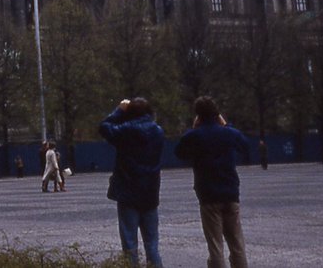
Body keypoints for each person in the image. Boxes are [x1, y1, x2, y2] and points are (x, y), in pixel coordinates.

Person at [175, 96, 249, 268]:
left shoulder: (194, 136)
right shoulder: (229, 133)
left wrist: (193, 129)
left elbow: (179, 152)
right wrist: (226, 125)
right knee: (237, 244)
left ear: (198, 115)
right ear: (217, 113)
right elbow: (245, 146)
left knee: (215, 246)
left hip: (208, 194)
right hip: (230, 192)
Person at [99, 97, 165, 268]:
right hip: (150, 191)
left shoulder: (125, 131)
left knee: (129, 245)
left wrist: (119, 111)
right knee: (152, 244)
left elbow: (104, 127)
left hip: (128, 190)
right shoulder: (158, 131)